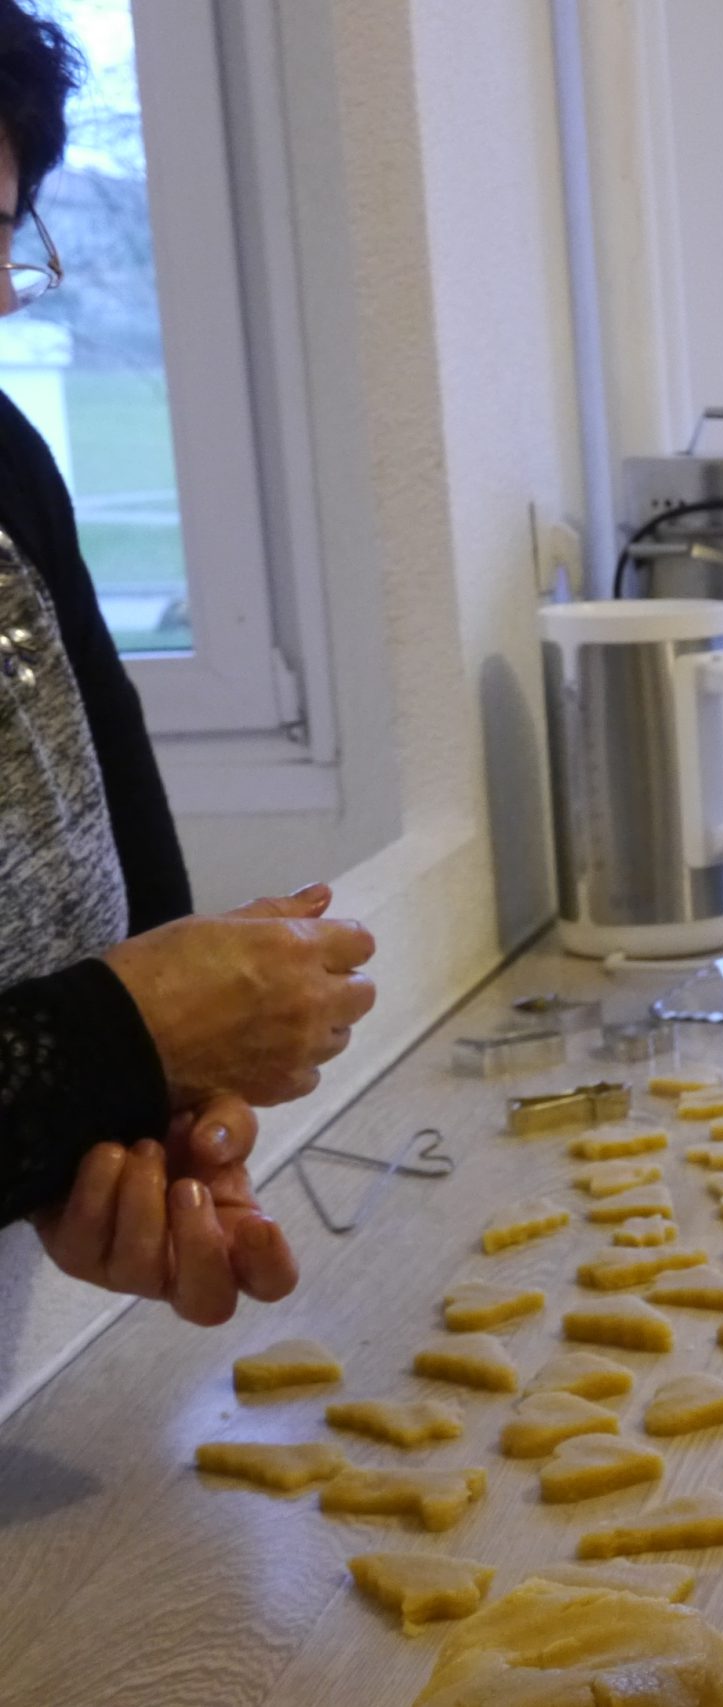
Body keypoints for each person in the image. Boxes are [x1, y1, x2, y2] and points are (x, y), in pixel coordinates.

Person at [1, 1, 374, 1327]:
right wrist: (126, 1037)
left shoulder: (6, 461)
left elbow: (125, 911)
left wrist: (152, 1125)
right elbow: (117, 1008)